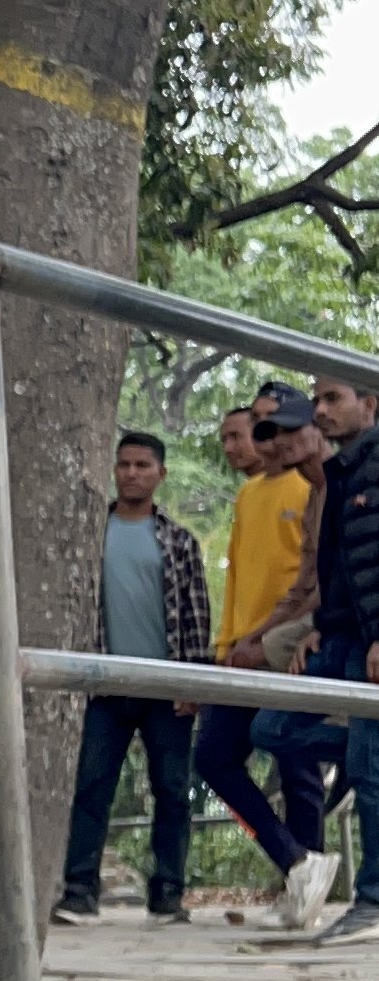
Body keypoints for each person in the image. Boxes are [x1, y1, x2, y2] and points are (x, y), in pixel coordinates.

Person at [54, 431, 212, 926]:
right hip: (103, 683)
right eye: (124, 464)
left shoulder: (179, 540)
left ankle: (168, 894)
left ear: (160, 474)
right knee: (92, 787)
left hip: (165, 688)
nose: (132, 473)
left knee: (171, 790)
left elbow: (196, 617)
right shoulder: (88, 533)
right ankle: (80, 891)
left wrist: (194, 683)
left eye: (143, 465)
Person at [193, 384, 334, 930]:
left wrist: (292, 633)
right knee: (213, 758)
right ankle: (299, 864)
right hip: (245, 650)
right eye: (260, 426)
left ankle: (305, 893)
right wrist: (228, 646)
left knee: (295, 765)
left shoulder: (317, 484)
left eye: (277, 425)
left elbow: (319, 581)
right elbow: (239, 584)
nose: (267, 436)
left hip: (290, 647)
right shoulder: (250, 495)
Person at [251, 365, 379, 943]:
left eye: (333, 398)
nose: (320, 410)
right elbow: (340, 569)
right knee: (274, 727)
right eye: (318, 399)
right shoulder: (340, 472)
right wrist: (318, 627)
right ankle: (362, 755)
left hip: (371, 640)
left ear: (369, 405)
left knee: (367, 769)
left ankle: (373, 902)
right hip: (340, 637)